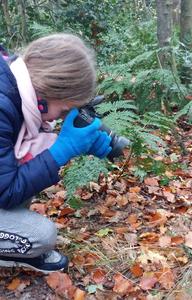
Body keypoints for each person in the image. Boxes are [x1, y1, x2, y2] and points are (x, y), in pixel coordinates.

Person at [0, 34, 112, 273]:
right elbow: (6, 191)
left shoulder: (13, 85)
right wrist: (64, 149)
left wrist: (77, 143)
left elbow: (13, 161)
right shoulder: (2, 103)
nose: (58, 120)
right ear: (47, 91)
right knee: (40, 236)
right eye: (63, 112)